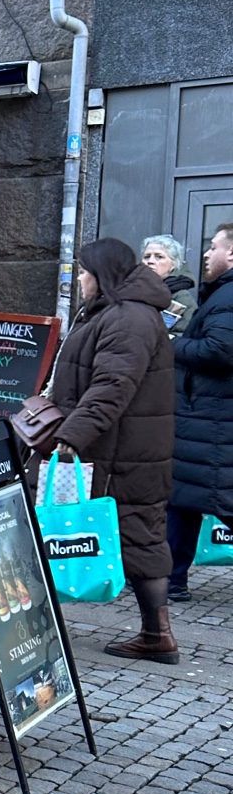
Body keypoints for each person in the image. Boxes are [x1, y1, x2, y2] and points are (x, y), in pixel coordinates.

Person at [50, 238, 178, 662]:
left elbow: (112, 385)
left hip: (117, 452)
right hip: (118, 448)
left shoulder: (128, 317)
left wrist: (72, 434)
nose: (81, 278)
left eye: (85, 271)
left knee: (127, 534)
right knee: (139, 536)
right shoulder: (119, 311)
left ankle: (157, 636)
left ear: (102, 274)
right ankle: (156, 635)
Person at [166, 222, 233, 602]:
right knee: (183, 499)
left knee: (211, 498)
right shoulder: (222, 293)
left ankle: (170, 579)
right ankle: (170, 580)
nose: (205, 254)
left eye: (213, 247)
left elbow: (219, 352)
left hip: (214, 421)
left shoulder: (228, 296)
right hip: (205, 419)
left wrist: (173, 344)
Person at [142, 235, 196, 336]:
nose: (150, 261)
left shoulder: (181, 297)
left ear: (173, 265)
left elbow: (181, 336)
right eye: (146, 256)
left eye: (159, 257)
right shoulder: (132, 290)